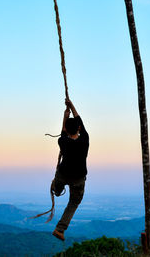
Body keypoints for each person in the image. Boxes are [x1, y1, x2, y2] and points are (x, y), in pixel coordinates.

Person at [52, 98, 89, 241]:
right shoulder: (84, 140)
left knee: (58, 183)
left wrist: (65, 116)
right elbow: (80, 121)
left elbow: (63, 132)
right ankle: (60, 229)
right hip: (78, 179)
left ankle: (57, 188)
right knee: (73, 202)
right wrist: (72, 105)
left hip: (63, 175)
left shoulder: (63, 142)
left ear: (67, 129)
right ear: (79, 128)